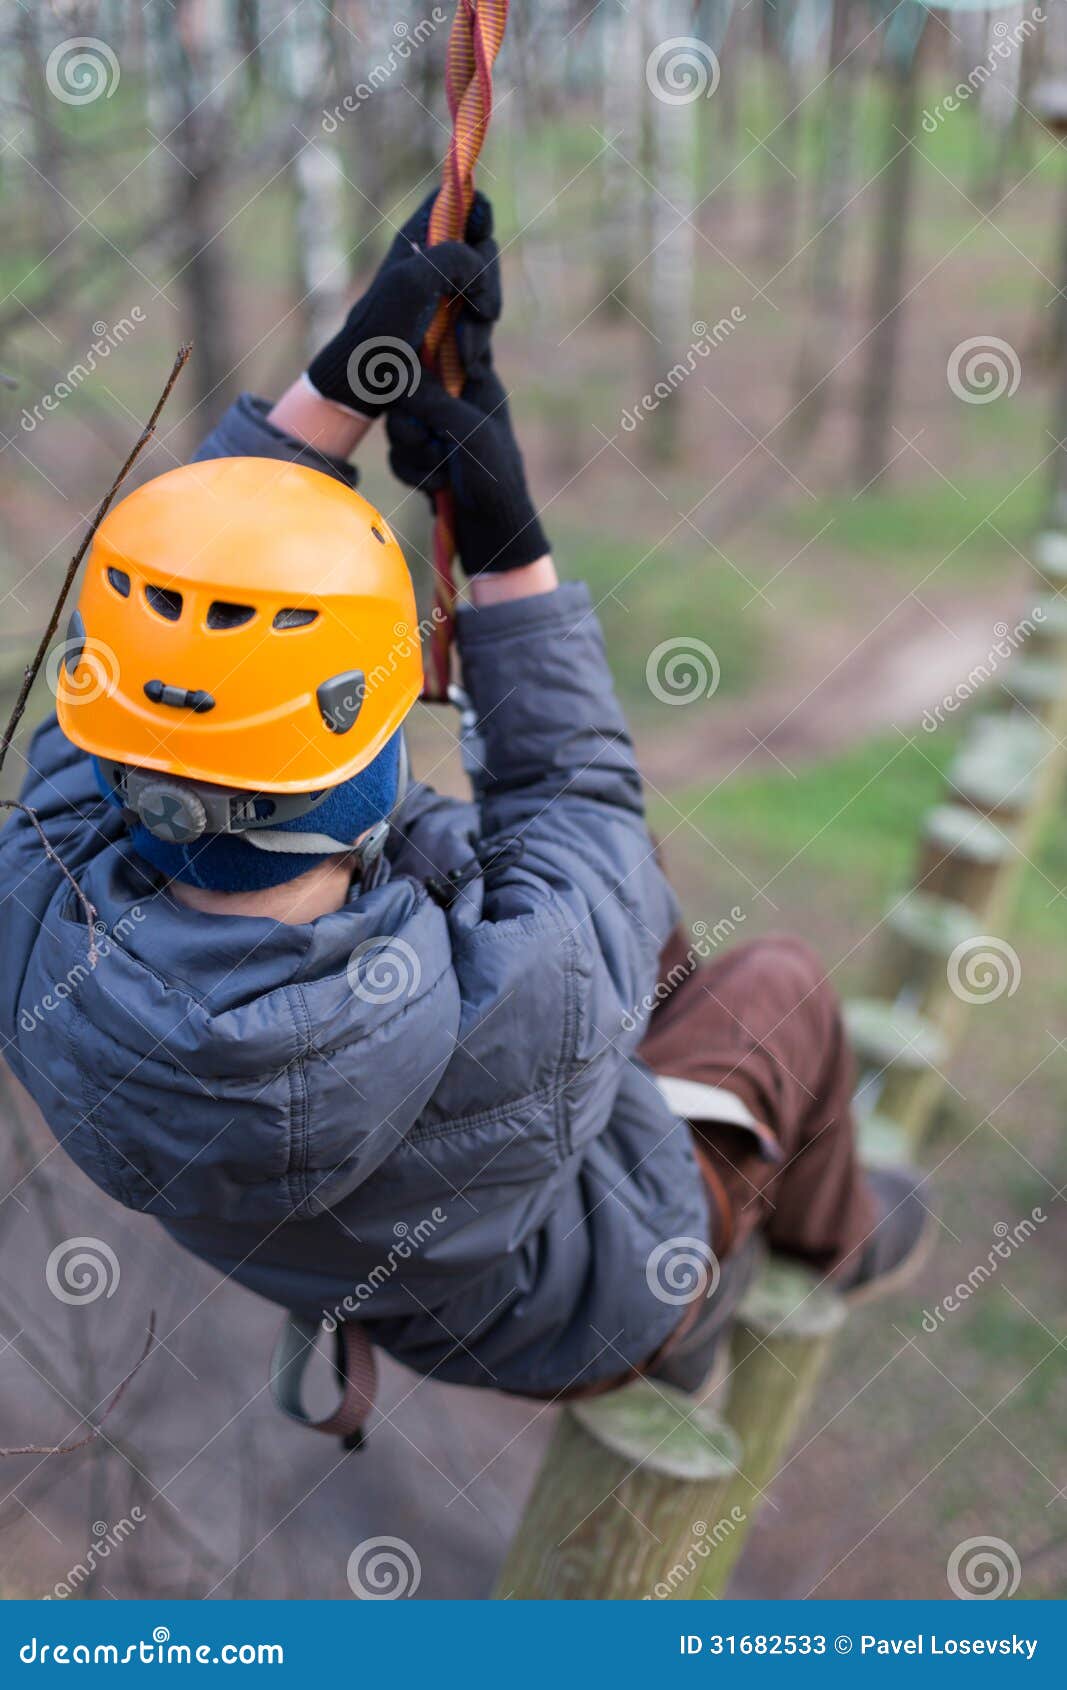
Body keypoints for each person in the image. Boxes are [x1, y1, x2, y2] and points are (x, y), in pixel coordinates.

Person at [0, 195, 932, 1436]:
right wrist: (508, 529)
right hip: (590, 1287)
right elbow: (576, 800)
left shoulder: (36, 894)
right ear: (369, 753)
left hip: (389, 1256)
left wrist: (348, 377)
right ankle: (834, 1238)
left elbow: (171, 625)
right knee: (777, 990)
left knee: (605, 917)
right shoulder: (490, 1001)